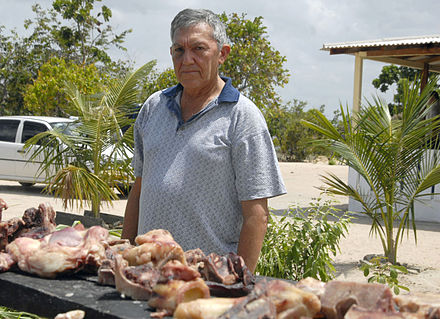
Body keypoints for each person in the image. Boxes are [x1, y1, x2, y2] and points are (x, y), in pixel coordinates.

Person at [122, 8, 286, 272]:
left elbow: (256, 216)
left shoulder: (242, 117)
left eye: (199, 49)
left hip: (206, 281)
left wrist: (238, 283)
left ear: (222, 54)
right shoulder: (154, 107)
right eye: (179, 50)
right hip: (145, 272)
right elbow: (138, 191)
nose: (187, 60)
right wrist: (124, 257)